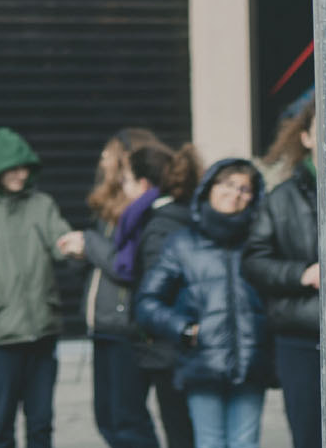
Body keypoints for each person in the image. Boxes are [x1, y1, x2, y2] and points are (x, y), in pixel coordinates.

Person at [0, 128, 86, 448]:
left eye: (25, 168)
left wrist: (74, 247)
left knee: (40, 424)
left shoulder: (42, 204)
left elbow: (60, 240)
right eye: (12, 168)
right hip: (0, 339)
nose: (20, 175)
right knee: (1, 426)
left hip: (43, 331)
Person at [135, 161, 269, 448]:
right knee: (209, 442)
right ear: (209, 188)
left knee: (246, 443)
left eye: (245, 188)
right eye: (229, 184)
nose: (236, 193)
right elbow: (147, 303)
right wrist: (185, 329)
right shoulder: (181, 244)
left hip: (250, 364)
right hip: (202, 364)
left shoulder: (259, 242)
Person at [84, 133, 175, 448]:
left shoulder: (141, 209)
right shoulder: (111, 206)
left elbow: (126, 268)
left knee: (128, 420)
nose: (102, 162)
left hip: (126, 326)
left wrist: (88, 243)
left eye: (108, 156)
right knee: (107, 417)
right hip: (103, 322)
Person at [241, 103, 319, 448]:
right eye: (323, 128)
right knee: (308, 437)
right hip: (299, 336)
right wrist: (301, 274)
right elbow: (254, 262)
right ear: (306, 137)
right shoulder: (280, 198)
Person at [136, 146, 203, 448]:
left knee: (182, 436)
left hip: (172, 350)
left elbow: (153, 298)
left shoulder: (159, 226)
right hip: (188, 345)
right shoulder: (195, 218)